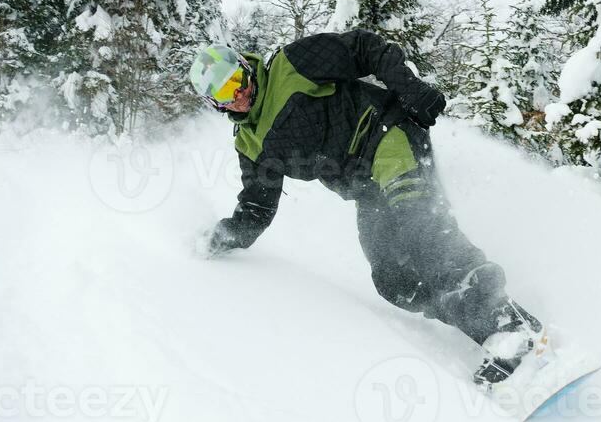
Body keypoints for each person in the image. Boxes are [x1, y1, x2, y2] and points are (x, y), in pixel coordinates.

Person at [190, 31, 540, 386]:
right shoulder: (251, 144)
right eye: (222, 94)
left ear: (245, 67)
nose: (237, 95)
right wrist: (225, 235)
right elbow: (256, 208)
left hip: (387, 136)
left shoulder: (291, 65)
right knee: (393, 280)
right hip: (367, 189)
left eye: (235, 80)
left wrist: (410, 88)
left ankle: (508, 329)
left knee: (419, 228)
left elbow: (364, 48)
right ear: (214, 105)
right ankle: (484, 320)